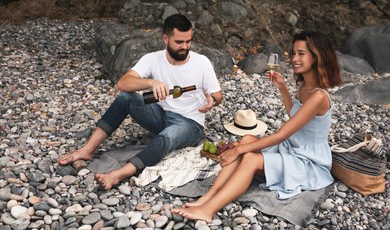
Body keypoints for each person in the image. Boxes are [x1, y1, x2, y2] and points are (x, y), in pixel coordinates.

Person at [172, 30, 342, 223]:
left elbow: (281, 135)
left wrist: (238, 151)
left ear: (317, 56)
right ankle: (207, 197)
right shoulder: (305, 87)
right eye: (293, 53)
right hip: (293, 148)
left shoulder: (319, 96)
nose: (294, 58)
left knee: (249, 157)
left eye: (301, 54)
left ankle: (209, 210)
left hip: (308, 161)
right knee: (247, 140)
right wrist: (282, 87)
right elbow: (294, 114)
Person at [58, 14, 223, 189]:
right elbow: (123, 83)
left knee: (167, 136)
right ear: (165, 38)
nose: (185, 47)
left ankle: (120, 174)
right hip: (160, 115)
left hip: (190, 124)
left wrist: (212, 99)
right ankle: (87, 150)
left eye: (188, 42)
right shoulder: (152, 58)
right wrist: (150, 82)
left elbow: (218, 94)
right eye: (179, 42)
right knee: (125, 98)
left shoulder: (202, 62)